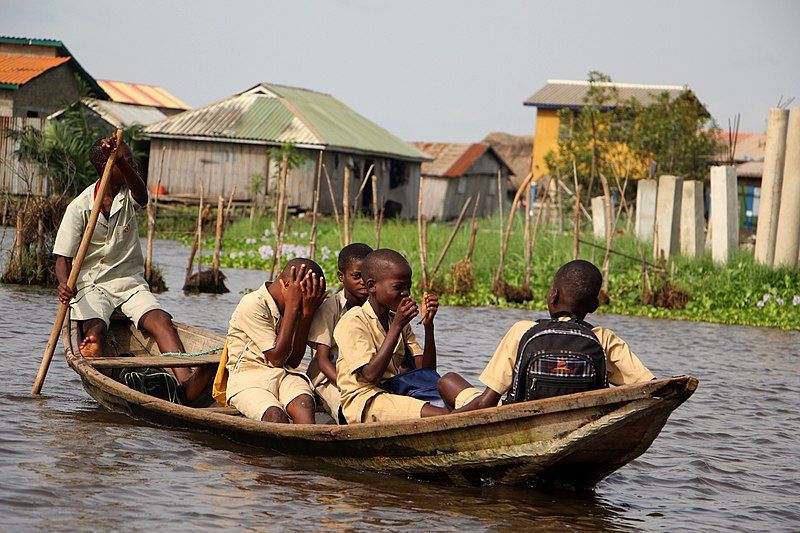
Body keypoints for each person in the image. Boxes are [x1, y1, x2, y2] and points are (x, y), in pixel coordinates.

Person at [53, 135, 212, 402]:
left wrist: (121, 160)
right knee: (96, 328)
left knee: (161, 321)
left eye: (131, 160)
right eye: (125, 161)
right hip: (91, 283)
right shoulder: (79, 207)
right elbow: (63, 258)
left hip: (127, 281)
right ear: (107, 167)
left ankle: (186, 381)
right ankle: (97, 352)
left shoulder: (129, 194)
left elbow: (143, 194)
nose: (133, 165)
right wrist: (65, 284)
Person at [439, 260, 655, 411]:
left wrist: (448, 422)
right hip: (583, 420)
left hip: (519, 422)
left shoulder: (522, 330)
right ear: (595, 306)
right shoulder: (603, 338)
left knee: (448, 382)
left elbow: (486, 403)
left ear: (553, 295)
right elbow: (650, 387)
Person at [333, 249, 450, 424]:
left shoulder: (396, 320)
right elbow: (370, 375)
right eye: (398, 287)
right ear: (372, 286)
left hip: (393, 393)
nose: (406, 293)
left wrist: (428, 326)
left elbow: (427, 372)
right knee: (446, 416)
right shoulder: (353, 320)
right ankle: (467, 414)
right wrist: (396, 327)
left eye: (408, 287)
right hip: (365, 400)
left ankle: (478, 406)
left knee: (450, 381)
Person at [224, 258, 326, 423]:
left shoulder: (299, 307)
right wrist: (293, 306)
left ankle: (310, 444)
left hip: (284, 374)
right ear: (286, 286)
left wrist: (306, 315)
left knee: (304, 403)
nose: (305, 302)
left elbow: (293, 361)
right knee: (275, 416)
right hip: (248, 379)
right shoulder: (253, 303)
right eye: (304, 296)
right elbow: (276, 357)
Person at [306, 243, 373, 422]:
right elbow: (322, 361)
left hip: (365, 377)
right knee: (349, 409)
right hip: (329, 379)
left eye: (367, 276)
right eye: (356, 276)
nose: (363, 282)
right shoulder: (330, 309)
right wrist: (348, 385)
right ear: (341, 277)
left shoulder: (374, 307)